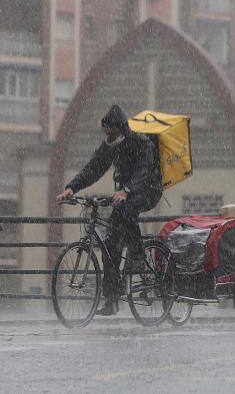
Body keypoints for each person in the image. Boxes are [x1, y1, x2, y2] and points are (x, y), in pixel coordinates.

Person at [56, 104, 163, 316]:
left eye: (111, 128)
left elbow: (145, 169)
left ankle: (139, 256)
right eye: (105, 129)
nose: (107, 132)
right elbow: (93, 168)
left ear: (120, 127)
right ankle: (112, 300)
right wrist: (72, 187)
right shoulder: (110, 146)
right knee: (110, 246)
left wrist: (127, 189)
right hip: (125, 194)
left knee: (126, 210)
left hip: (148, 189)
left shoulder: (140, 142)